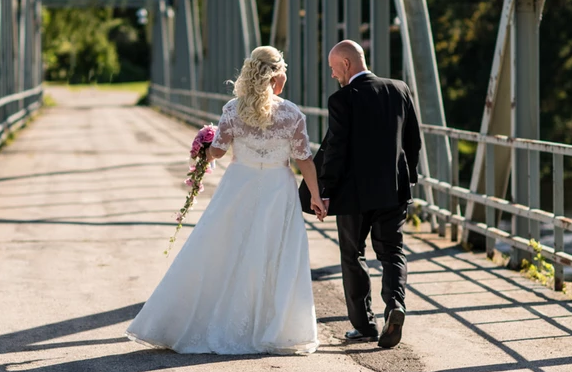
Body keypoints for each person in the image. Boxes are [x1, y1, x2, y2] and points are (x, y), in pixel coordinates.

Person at [127, 46, 322, 355]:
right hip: (277, 188)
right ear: (278, 74)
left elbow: (217, 151)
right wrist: (315, 196)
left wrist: (204, 145)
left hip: (239, 185)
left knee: (225, 250)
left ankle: (212, 321)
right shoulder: (291, 113)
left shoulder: (234, 109)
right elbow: (304, 159)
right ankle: (271, 327)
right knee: (274, 254)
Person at [315, 40, 422, 349]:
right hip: (394, 190)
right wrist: (407, 179)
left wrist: (325, 192)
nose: (334, 75)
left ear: (347, 64)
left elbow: (335, 151)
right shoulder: (398, 89)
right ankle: (395, 306)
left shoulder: (342, 100)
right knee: (392, 251)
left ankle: (364, 325)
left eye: (335, 69)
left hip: (354, 195)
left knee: (352, 255)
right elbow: (413, 140)